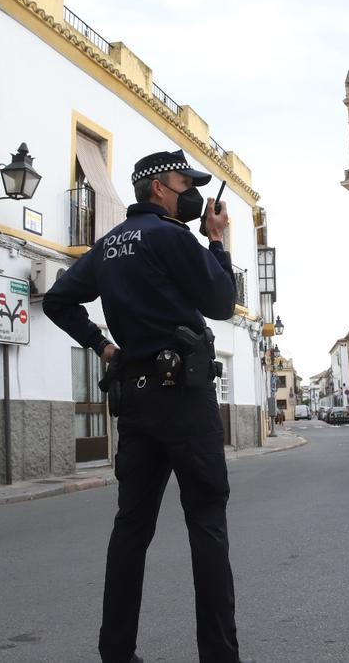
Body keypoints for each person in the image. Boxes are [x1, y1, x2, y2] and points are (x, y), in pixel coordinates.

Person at [42, 150, 250, 663]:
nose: (193, 192)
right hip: (184, 399)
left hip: (134, 401)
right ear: (159, 187)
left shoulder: (108, 245)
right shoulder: (171, 237)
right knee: (206, 523)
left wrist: (102, 344)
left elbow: (56, 300)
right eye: (186, 182)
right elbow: (222, 302)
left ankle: (116, 654)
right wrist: (216, 240)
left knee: (131, 528)